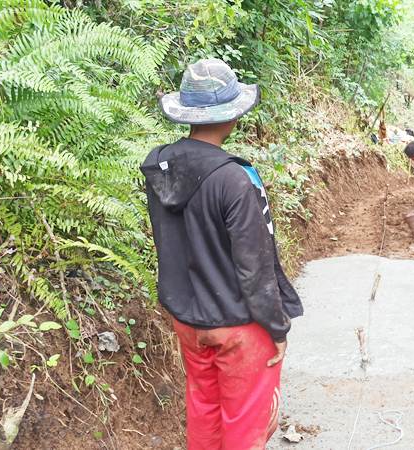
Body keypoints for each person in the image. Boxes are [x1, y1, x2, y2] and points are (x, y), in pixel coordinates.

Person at [140, 58, 303, 449]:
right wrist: (276, 326)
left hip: (188, 320)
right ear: (233, 117)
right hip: (239, 325)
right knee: (245, 427)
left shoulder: (160, 167)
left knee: (204, 413)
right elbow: (254, 263)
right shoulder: (234, 178)